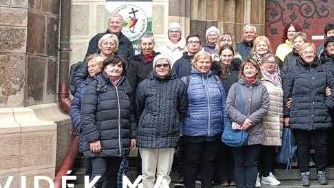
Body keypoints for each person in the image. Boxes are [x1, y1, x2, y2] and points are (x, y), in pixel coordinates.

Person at [283, 44, 334, 186]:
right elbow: (286, 93)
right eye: (305, 52)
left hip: (321, 114)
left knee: (321, 146)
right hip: (300, 114)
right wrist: (287, 114)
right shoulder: (293, 70)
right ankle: (304, 174)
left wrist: (328, 104)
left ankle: (321, 172)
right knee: (303, 146)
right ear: (300, 54)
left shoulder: (324, 69)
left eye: (311, 52)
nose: (308, 54)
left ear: (315, 53)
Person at [80, 55, 136, 188]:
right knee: (98, 176)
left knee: (113, 178)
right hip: (99, 142)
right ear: (104, 68)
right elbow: (87, 115)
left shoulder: (125, 86)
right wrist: (93, 139)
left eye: (119, 66)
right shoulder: (94, 86)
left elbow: (131, 114)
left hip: (119, 142)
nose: (116, 68)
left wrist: (132, 135)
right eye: (112, 65)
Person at [135, 55, 188, 188]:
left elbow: (182, 108)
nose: (162, 67)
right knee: (147, 173)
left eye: (165, 65)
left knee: (164, 173)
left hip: (169, 133)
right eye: (159, 65)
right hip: (147, 134)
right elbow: (138, 107)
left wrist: (173, 121)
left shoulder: (179, 84)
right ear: (154, 67)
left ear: (170, 67)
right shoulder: (144, 85)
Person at [181, 51, 226, 188]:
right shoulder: (185, 81)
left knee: (209, 162)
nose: (204, 65)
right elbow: (181, 107)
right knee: (191, 163)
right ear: (195, 63)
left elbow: (223, 104)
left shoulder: (217, 80)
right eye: (201, 62)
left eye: (207, 62)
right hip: (192, 130)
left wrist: (224, 126)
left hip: (213, 130)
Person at [226, 60, 270, 188]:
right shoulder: (235, 87)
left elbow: (264, 107)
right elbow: (229, 106)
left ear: (257, 70)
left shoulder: (262, 88)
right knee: (239, 162)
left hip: (255, 130)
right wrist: (242, 120)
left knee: (252, 162)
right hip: (238, 131)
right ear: (242, 71)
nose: (249, 70)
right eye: (247, 68)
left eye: (252, 68)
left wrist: (249, 120)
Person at [70, 54, 105, 174]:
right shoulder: (84, 84)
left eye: (93, 66)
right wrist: (81, 125)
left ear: (102, 66)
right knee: (90, 170)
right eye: (89, 66)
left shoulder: (111, 83)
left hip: (106, 133)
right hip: (88, 133)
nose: (90, 68)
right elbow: (74, 106)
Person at [214, 45, 241, 187]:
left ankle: (233, 175)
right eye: (224, 55)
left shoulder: (238, 70)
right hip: (219, 111)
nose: (226, 58)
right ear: (219, 56)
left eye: (229, 55)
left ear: (233, 55)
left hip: (235, 112)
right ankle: (223, 177)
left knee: (234, 145)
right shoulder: (215, 71)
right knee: (221, 146)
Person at [258, 53, 284, 186]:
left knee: (269, 148)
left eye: (273, 62)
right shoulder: (259, 78)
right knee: (259, 147)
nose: (270, 64)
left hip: (276, 118)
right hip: (263, 118)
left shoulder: (279, 78)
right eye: (267, 62)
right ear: (262, 64)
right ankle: (258, 174)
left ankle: (267, 174)